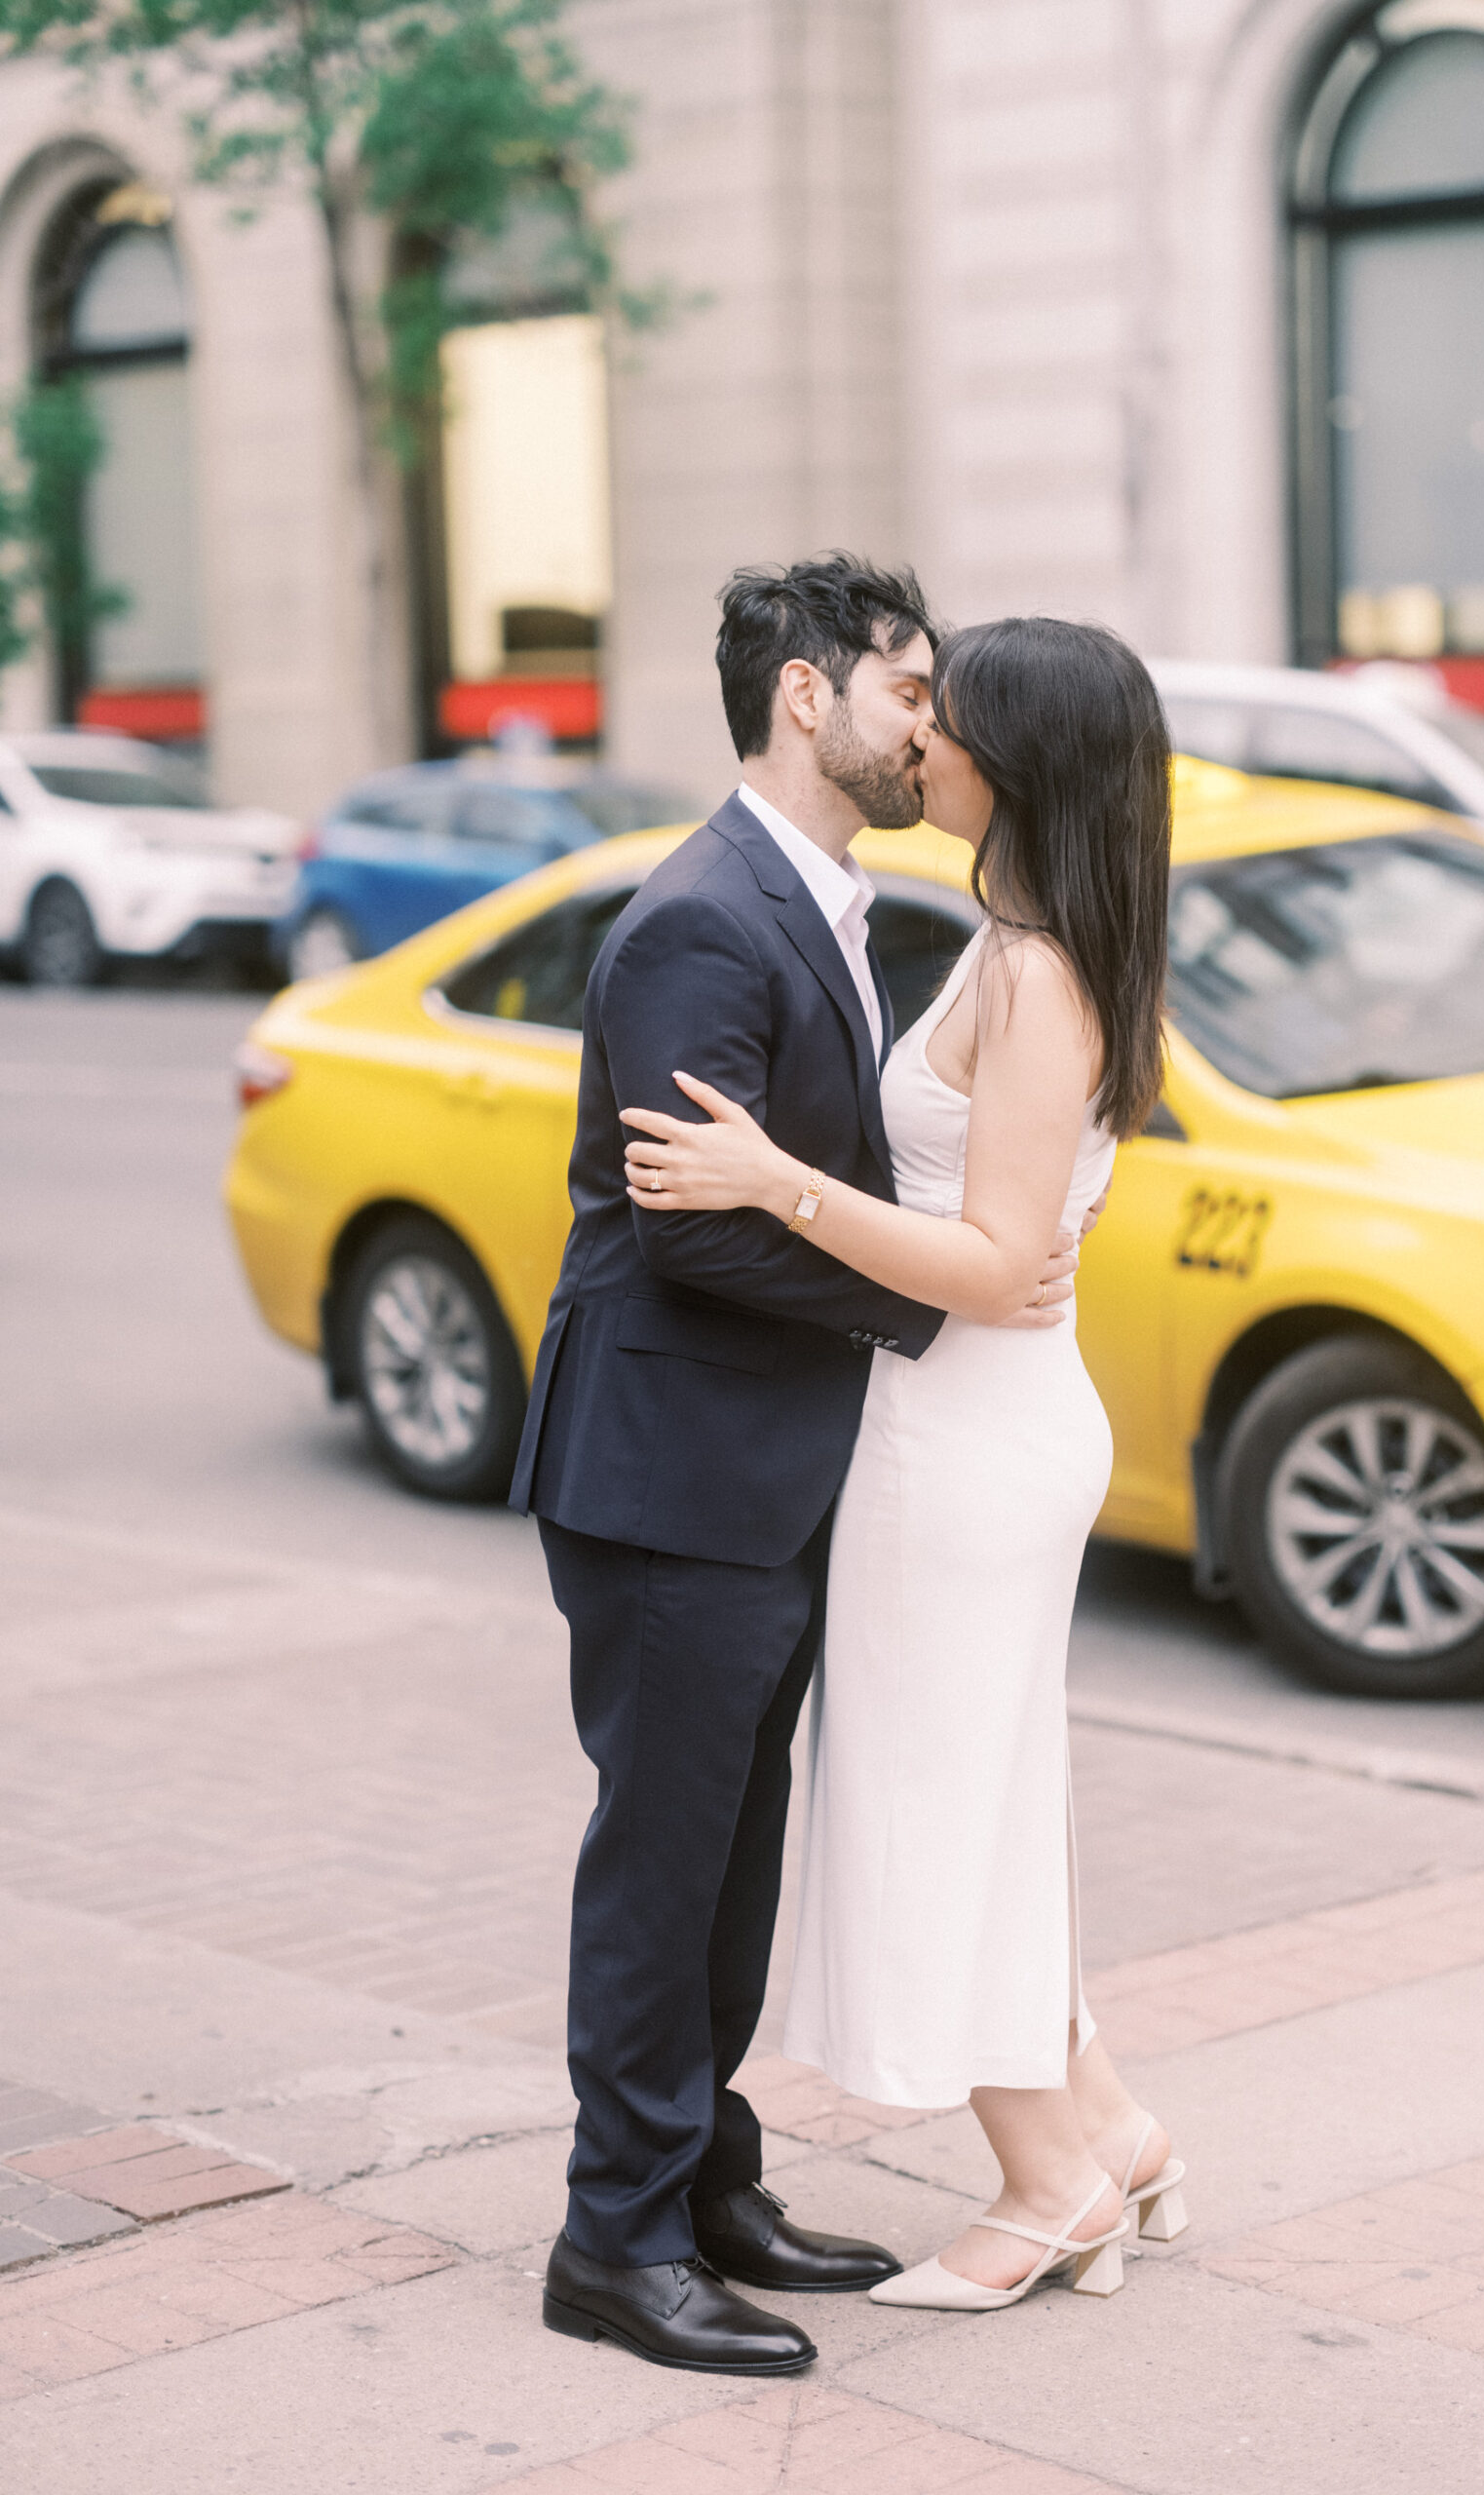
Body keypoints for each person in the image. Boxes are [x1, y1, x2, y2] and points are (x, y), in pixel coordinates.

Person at [511, 555, 1085, 2376]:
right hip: (671, 1463)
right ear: (806, 700)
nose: (929, 722)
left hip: (757, 1469)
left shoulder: (825, 901)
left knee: (733, 1858)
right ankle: (613, 2239)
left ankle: (706, 2183)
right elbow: (691, 1228)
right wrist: (943, 1313)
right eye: (906, 687)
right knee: (666, 1863)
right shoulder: (701, 917)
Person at [624, 614, 1187, 2315]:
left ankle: (1046, 2187)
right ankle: (1116, 2134)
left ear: (1016, 764)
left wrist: (765, 1181)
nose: (920, 740)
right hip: (984, 1424)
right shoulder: (1029, 936)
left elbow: (996, 1259)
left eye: (950, 718)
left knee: (944, 1814)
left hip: (968, 1441)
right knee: (995, 1803)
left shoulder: (1032, 972)